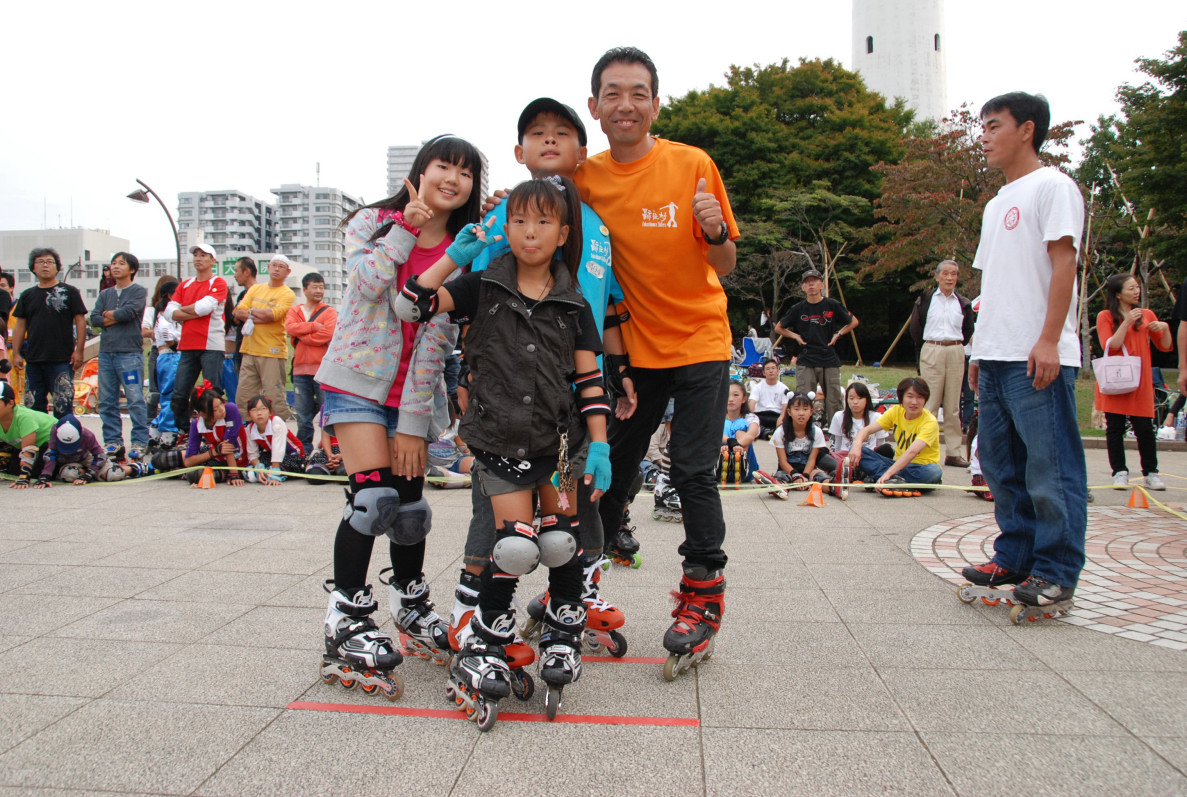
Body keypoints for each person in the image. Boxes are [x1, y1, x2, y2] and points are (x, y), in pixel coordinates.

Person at [395, 176, 612, 726]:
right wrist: (453, 255)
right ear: (505, 229)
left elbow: (590, 383)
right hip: (500, 443)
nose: (530, 232)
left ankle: (563, 632)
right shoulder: (481, 286)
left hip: (559, 447)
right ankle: (488, 638)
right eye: (518, 221)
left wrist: (601, 446)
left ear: (563, 233)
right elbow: (410, 304)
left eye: (543, 221)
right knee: (513, 548)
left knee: (561, 543)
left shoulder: (575, 304)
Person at [447, 97, 631, 666]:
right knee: (497, 509)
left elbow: (608, 307)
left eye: (562, 132)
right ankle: (472, 607)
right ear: (519, 150)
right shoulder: (502, 215)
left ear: (583, 149)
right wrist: (469, 372)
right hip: (506, 394)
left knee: (575, 506)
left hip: (573, 390)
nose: (549, 140)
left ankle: (572, 595)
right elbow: (477, 293)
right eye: (537, 132)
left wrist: (620, 372)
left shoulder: (597, 225)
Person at [577, 47, 740, 677]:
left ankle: (702, 595)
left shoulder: (692, 165)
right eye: (613, 94)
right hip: (633, 353)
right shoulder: (585, 178)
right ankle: (581, 584)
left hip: (699, 340)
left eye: (638, 93)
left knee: (694, 471)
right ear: (595, 107)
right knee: (612, 470)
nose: (626, 105)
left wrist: (716, 230)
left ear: (656, 103)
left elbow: (724, 264)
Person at [315, 134, 481, 700]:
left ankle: (409, 604)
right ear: (421, 171)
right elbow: (366, 286)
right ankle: (345, 619)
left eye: (465, 172)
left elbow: (437, 338)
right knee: (372, 501)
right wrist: (405, 229)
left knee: (410, 511)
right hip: (357, 382)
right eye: (443, 166)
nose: (452, 179)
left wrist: (413, 423)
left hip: (413, 393)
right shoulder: (373, 222)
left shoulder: (464, 247)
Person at [961, 92, 1088, 610]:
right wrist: (978, 350)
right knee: (1001, 466)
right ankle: (1014, 555)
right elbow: (992, 283)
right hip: (995, 353)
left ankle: (1056, 571)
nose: (984, 137)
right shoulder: (996, 204)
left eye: (994, 126)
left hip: (1037, 354)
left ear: (1027, 129)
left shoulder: (1053, 187)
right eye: (983, 127)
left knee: (1049, 469)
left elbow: (1064, 264)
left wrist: (1049, 339)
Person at [1095, 273, 1172, 490]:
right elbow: (1111, 346)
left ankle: (1151, 472)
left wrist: (1165, 328)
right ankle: (1119, 472)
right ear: (1118, 294)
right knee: (1115, 428)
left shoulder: (1146, 314)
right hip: (1115, 379)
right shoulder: (1105, 316)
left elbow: (1165, 346)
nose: (1136, 291)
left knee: (1145, 428)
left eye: (1137, 287)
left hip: (1140, 381)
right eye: (1131, 288)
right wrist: (1127, 322)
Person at [908, 259, 976, 466]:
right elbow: (916, 328)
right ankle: (923, 449)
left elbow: (968, 329)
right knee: (930, 402)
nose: (949, 278)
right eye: (945, 273)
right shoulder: (925, 299)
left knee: (953, 404)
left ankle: (953, 452)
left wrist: (957, 345)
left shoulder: (963, 303)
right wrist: (926, 348)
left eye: (953, 274)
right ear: (937, 276)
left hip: (956, 349)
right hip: (932, 348)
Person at [774, 269, 859, 424]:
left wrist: (838, 334)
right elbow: (778, 328)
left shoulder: (832, 305)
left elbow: (853, 322)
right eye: (807, 282)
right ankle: (804, 431)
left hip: (829, 357)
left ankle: (835, 433)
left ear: (822, 285)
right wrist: (795, 336)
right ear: (803, 287)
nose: (811, 284)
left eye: (814, 281)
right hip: (806, 358)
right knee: (803, 399)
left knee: (834, 399)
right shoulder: (798, 308)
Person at [11, 248, 87, 418]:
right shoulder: (27, 295)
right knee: (33, 408)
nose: (45, 265)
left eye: (49, 262)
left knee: (63, 406)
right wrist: (16, 353)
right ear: (33, 268)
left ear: (57, 267)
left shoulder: (70, 292)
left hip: (62, 359)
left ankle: (63, 435)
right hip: (34, 360)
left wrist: (79, 350)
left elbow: (80, 321)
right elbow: (20, 326)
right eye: (40, 262)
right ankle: (40, 436)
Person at [89, 252, 149, 456]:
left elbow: (128, 313)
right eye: (113, 263)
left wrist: (109, 316)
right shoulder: (105, 294)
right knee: (106, 400)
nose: (115, 267)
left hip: (129, 353)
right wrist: (115, 317)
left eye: (121, 264)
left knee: (134, 399)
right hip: (106, 353)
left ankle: (140, 442)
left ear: (132, 269)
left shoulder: (137, 291)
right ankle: (113, 442)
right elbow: (94, 319)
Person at [164, 243, 228, 431]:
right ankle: (184, 432)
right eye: (196, 255)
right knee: (179, 394)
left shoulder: (218, 283)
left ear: (213, 260)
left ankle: (214, 431)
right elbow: (168, 313)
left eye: (203, 255)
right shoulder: (185, 285)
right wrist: (192, 312)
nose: (198, 258)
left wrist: (181, 312)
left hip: (211, 345)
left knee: (212, 393)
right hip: (187, 345)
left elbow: (204, 308)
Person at [846, 376, 942, 493]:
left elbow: (912, 452)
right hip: (897, 465)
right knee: (858, 450)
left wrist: (887, 474)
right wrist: (856, 445)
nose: (914, 402)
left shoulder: (930, 422)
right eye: (910, 396)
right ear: (901, 397)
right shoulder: (896, 411)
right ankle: (896, 481)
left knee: (934, 472)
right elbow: (866, 430)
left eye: (919, 397)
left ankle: (886, 478)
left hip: (920, 468)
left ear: (925, 400)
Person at [234, 255, 295, 419]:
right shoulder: (255, 289)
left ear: (288, 272)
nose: (276, 269)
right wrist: (257, 315)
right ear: (268, 267)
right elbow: (238, 311)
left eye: (281, 266)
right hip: (249, 350)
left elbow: (273, 315)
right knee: (243, 397)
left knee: (275, 397)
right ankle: (249, 430)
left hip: (272, 352)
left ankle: (280, 430)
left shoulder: (287, 293)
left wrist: (250, 313)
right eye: (274, 265)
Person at [285, 271, 336, 454]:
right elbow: (290, 328)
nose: (319, 291)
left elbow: (327, 334)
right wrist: (313, 326)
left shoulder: (329, 311)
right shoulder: (295, 310)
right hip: (299, 370)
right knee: (302, 413)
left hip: (322, 370)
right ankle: (304, 449)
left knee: (326, 410)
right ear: (305, 289)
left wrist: (302, 336)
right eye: (314, 287)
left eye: (321, 287)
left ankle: (328, 447)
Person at [181, 383, 245, 486]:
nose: (222, 409)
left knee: (194, 475)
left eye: (221, 403)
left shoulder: (230, 409)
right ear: (203, 414)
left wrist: (234, 475)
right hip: (216, 454)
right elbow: (188, 461)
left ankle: (179, 471)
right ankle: (174, 469)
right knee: (164, 459)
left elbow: (228, 445)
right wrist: (213, 452)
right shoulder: (196, 424)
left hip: (238, 459)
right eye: (215, 409)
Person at [771, 391, 835, 487]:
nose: (801, 413)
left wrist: (805, 476)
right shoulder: (780, 432)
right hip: (788, 470)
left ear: (811, 412)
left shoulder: (816, 432)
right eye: (796, 409)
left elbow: (812, 459)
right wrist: (795, 475)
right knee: (781, 477)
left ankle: (834, 488)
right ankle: (778, 488)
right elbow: (782, 460)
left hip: (809, 470)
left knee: (821, 478)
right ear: (789, 412)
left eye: (805, 409)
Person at [0, 380, 55, 488]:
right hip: (26, 446)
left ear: (10, 403)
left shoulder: (24, 417)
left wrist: (24, 477)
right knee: (12, 471)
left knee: (34, 472)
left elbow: (29, 449)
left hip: (52, 445)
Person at [148, 281, 183, 445]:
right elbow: (165, 332)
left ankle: (156, 429)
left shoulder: (162, 313)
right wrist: (175, 345)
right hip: (171, 356)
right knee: (171, 395)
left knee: (167, 394)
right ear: (170, 295)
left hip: (166, 357)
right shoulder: (165, 314)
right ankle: (168, 432)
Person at [243, 394, 305, 485]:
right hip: (271, 455)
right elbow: (252, 453)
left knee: (277, 469)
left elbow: (278, 449)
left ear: (270, 412)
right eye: (254, 410)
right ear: (249, 415)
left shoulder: (276, 422)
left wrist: (275, 471)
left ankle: (275, 472)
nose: (259, 413)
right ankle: (265, 472)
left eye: (263, 409)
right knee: (250, 474)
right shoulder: (250, 428)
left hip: (293, 454)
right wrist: (258, 467)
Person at [143, 275, 178, 420]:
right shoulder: (152, 311)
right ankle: (151, 421)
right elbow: (144, 331)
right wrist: (160, 335)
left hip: (175, 352)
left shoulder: (177, 311)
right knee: (156, 391)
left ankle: (170, 421)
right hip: (160, 351)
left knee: (174, 391)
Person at [827, 381, 889, 460]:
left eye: (860, 398)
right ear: (846, 400)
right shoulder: (839, 416)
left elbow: (880, 445)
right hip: (844, 457)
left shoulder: (876, 417)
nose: (855, 402)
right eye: (851, 398)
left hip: (868, 458)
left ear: (867, 399)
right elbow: (837, 444)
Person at [721, 380, 759, 484]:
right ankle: (722, 464)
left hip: (745, 466)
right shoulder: (717, 417)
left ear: (744, 399)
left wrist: (734, 446)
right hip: (722, 455)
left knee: (740, 423)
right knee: (725, 424)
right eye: (727, 395)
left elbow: (751, 435)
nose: (730, 399)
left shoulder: (750, 417)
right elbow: (713, 435)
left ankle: (741, 462)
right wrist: (729, 442)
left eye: (736, 395)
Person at [748, 358, 790, 438]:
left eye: (773, 368)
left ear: (777, 370)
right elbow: (752, 403)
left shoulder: (784, 388)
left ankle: (769, 432)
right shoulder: (758, 387)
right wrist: (749, 415)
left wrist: (781, 418)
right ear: (764, 372)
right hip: (761, 415)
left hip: (776, 416)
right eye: (768, 369)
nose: (771, 371)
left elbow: (785, 405)